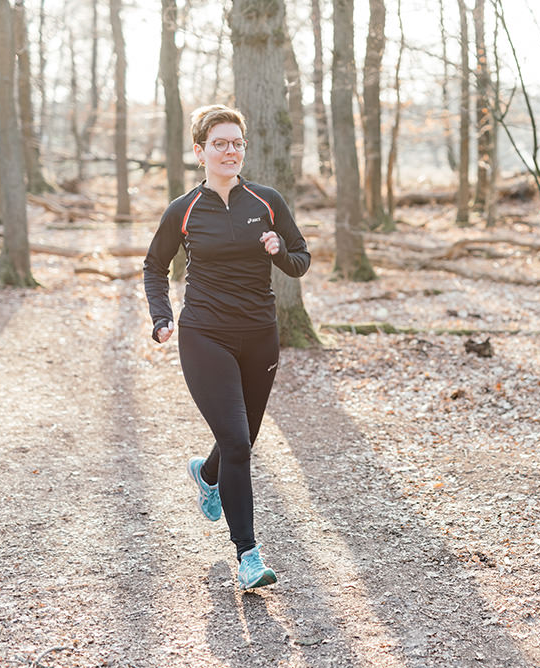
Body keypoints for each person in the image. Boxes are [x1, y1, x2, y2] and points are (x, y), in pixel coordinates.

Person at [143, 104, 310, 589]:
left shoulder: (268, 200)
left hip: (260, 335)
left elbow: (301, 259)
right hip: (205, 334)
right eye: (220, 142)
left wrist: (281, 251)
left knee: (242, 440)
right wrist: (161, 316)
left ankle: (207, 474)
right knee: (238, 441)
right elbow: (154, 266)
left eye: (236, 142)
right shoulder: (184, 209)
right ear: (200, 152)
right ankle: (249, 556)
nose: (230, 150)